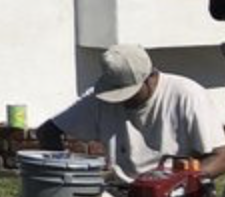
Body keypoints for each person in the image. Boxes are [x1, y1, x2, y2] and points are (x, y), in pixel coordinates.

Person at [38, 44, 225, 187]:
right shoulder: (100, 98)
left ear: (150, 78)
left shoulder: (187, 95)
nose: (121, 101)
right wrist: (65, 176)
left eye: (129, 93)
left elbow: (221, 157)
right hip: (118, 194)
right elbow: (48, 132)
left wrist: (178, 184)